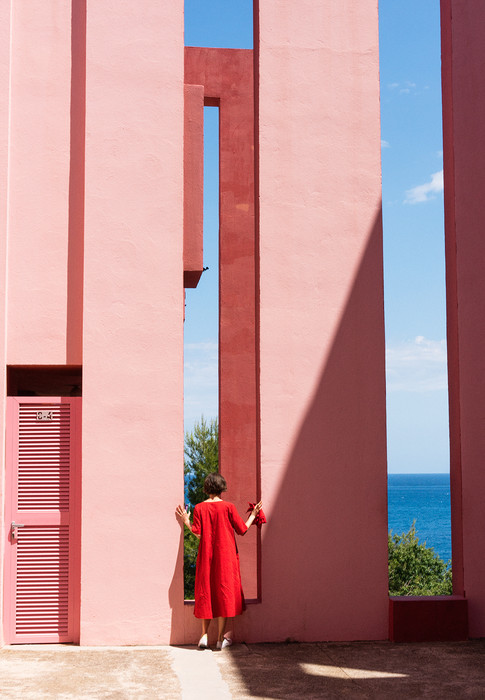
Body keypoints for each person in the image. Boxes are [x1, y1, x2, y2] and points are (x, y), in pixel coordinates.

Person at [176, 473, 263, 650]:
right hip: (226, 557)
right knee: (223, 593)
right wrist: (254, 514)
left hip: (206, 557)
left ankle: (204, 635)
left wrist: (186, 521)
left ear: (206, 488)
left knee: (206, 591)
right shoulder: (229, 507)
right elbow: (242, 529)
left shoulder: (199, 508)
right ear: (222, 487)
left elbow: (198, 533)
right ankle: (220, 639)